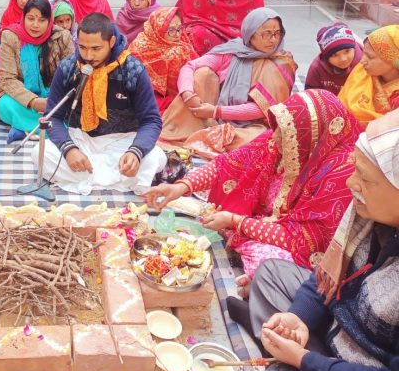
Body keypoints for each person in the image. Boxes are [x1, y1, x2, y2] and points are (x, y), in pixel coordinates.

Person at [229, 109, 399, 371]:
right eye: (355, 169)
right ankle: (283, 352)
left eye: (365, 179)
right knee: (271, 272)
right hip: (338, 329)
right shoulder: (368, 216)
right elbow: (326, 276)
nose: (350, 183)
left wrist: (306, 361)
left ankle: (284, 363)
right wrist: (299, 317)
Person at [145, 90, 361, 297]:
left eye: (284, 134)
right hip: (265, 222)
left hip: (299, 248)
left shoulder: (339, 174)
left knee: (273, 263)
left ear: (311, 137)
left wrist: (236, 221)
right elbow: (227, 164)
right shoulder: (282, 141)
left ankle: (266, 284)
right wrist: (181, 187)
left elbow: (303, 242)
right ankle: (263, 284)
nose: (274, 137)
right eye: (277, 128)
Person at [34, 12, 166, 195]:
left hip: (122, 143)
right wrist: (68, 149)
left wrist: (136, 152)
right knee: (39, 153)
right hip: (81, 141)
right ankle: (119, 181)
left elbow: (152, 120)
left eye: (96, 48)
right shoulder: (68, 68)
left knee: (156, 157)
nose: (88, 55)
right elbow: (53, 117)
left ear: (111, 42)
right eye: (82, 47)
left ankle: (89, 180)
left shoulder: (133, 70)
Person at [158, 7, 297, 158]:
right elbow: (190, 66)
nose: (273, 40)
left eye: (277, 34)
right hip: (213, 117)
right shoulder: (233, 52)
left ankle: (210, 137)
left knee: (263, 140)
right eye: (266, 34)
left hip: (255, 125)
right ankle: (197, 130)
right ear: (250, 34)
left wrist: (215, 111)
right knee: (203, 74)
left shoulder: (281, 63)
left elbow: (263, 109)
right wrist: (188, 95)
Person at [0, 0, 74, 142]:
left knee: (74, 106)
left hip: (53, 96)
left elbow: (70, 75)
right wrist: (33, 101)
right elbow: (7, 79)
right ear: (23, 17)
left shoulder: (62, 36)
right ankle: (52, 129)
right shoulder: (10, 36)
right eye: (31, 18)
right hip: (21, 97)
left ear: (49, 21)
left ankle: (23, 129)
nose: (35, 25)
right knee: (3, 105)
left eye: (42, 20)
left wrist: (52, 99)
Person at [129, 6, 198, 113]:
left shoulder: (183, 46)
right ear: (158, 29)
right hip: (145, 95)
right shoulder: (139, 45)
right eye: (171, 30)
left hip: (183, 93)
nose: (177, 34)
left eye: (179, 28)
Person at [338, 25, 399, 127]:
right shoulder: (363, 71)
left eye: (370, 57)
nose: (362, 61)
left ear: (393, 61)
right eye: (364, 53)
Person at [305, 22, 363, 95]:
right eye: (335, 55)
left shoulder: (364, 62)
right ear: (326, 57)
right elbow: (310, 95)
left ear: (354, 48)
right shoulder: (317, 68)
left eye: (347, 51)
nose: (343, 59)